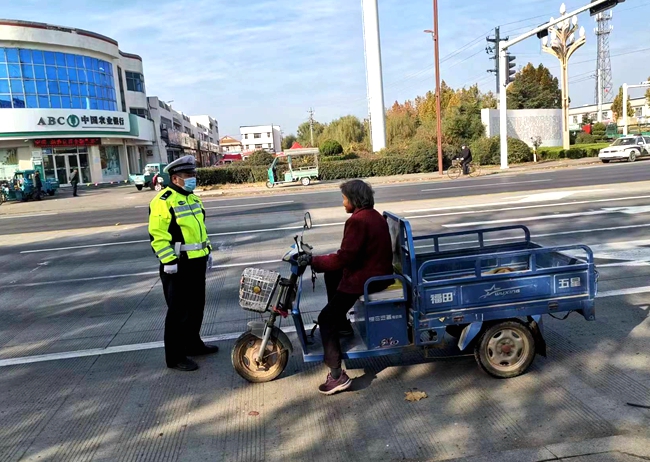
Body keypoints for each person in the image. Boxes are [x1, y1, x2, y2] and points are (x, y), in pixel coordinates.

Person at [298, 179, 394, 395]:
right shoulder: (372, 215)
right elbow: (347, 256)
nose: (342, 203)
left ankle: (336, 376)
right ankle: (342, 324)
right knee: (332, 273)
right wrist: (322, 262)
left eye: (344, 198)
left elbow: (345, 258)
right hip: (375, 271)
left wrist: (313, 261)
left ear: (354, 199)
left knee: (325, 318)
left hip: (368, 277)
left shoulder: (358, 221)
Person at [148, 155, 218, 372]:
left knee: (196, 307)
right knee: (179, 311)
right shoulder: (163, 200)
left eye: (193, 175)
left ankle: (193, 344)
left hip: (196, 262)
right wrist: (168, 260)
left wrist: (207, 252)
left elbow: (199, 231)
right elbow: (158, 234)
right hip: (177, 264)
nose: (193, 179)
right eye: (188, 176)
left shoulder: (194, 199)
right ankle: (175, 356)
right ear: (176, 178)